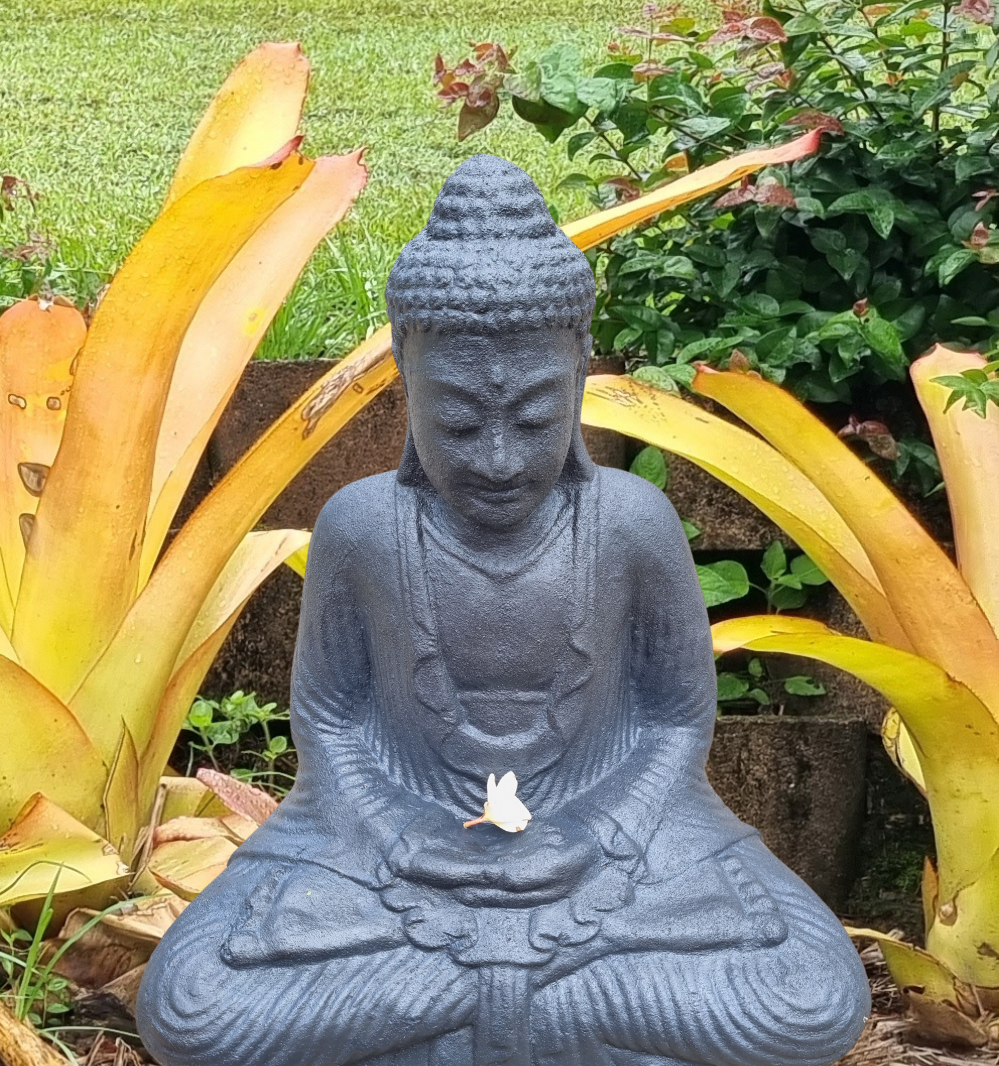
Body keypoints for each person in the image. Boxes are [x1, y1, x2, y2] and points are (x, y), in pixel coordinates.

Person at [137, 155, 870, 1066]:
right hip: (392, 843)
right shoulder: (362, 525)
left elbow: (677, 717)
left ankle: (447, 1020)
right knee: (196, 1010)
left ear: (576, 375)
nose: (495, 459)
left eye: (532, 420)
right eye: (456, 421)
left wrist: (602, 831)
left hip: (618, 838)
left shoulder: (630, 523)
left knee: (811, 1000)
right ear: (407, 372)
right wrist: (402, 834)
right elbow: (330, 717)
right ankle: (566, 1020)